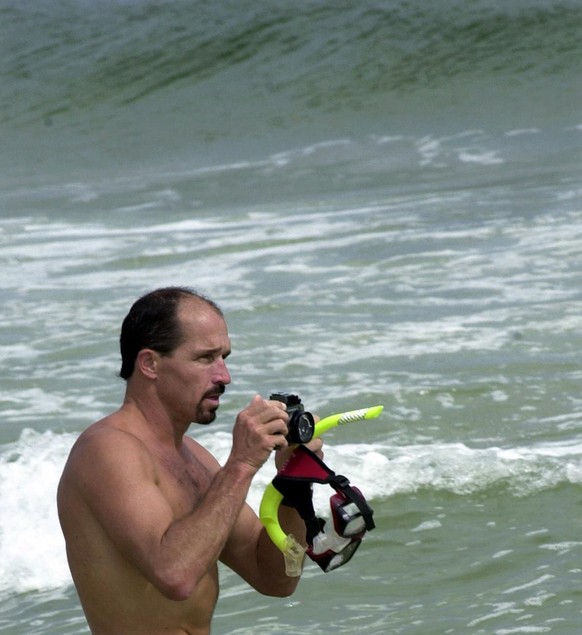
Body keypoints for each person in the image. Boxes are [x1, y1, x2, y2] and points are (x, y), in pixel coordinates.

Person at [57, 286, 322, 635]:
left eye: (224, 357)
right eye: (205, 358)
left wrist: (294, 486)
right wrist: (242, 464)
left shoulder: (193, 457)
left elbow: (275, 578)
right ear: (150, 363)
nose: (224, 376)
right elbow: (175, 575)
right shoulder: (107, 450)